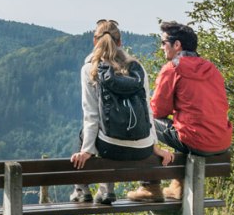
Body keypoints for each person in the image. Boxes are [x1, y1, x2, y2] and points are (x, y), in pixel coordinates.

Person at [125, 21, 233, 202]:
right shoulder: (212, 69)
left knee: (144, 120)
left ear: (177, 45)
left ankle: (149, 187)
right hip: (221, 141)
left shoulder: (173, 68)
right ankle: (178, 186)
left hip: (197, 140)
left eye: (164, 43)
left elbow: (157, 110)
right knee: (185, 124)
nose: (161, 48)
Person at [70, 19, 175, 204]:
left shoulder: (90, 70)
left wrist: (86, 150)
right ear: (120, 42)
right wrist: (154, 146)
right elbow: (147, 110)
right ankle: (103, 189)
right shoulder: (137, 69)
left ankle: (84, 190)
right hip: (142, 149)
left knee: (85, 133)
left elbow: (91, 116)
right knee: (106, 131)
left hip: (112, 149)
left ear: (95, 41)